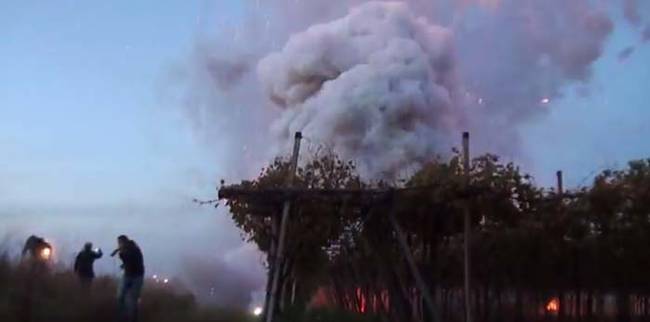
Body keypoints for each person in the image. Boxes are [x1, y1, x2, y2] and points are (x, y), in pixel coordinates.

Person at [111, 235, 144, 322]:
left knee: (131, 299)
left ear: (123, 242)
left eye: (119, 243)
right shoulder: (131, 248)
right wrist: (124, 265)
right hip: (130, 275)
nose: (118, 245)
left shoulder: (132, 249)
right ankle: (123, 317)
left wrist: (120, 253)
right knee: (121, 297)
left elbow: (130, 259)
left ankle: (130, 318)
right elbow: (129, 261)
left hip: (135, 276)